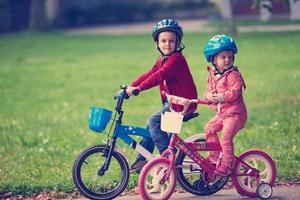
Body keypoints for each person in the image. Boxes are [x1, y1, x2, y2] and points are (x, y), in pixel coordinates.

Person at [126, 19, 198, 173]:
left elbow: (159, 76)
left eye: (172, 41)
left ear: (178, 43)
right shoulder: (162, 59)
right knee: (151, 126)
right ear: (156, 43)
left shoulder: (176, 59)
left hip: (182, 104)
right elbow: (150, 73)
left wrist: (139, 88)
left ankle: (167, 159)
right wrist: (132, 85)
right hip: (172, 103)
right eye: (163, 40)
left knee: (153, 121)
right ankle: (141, 160)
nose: (167, 44)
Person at [203, 34, 247, 176]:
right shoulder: (212, 75)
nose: (227, 60)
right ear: (214, 59)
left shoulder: (233, 74)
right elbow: (208, 91)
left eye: (230, 56)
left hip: (235, 114)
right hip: (222, 114)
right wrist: (207, 96)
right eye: (223, 57)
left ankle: (227, 164)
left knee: (226, 138)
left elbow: (236, 92)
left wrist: (222, 97)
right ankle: (215, 158)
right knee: (209, 129)